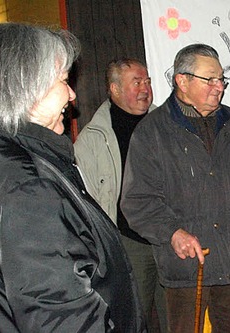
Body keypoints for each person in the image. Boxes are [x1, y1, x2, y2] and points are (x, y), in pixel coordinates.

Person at [120, 43, 230, 333]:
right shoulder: (152, 132)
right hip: (186, 267)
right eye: (211, 79)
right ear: (182, 80)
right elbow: (137, 200)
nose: (219, 87)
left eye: (222, 80)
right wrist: (172, 232)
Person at [0, 23, 144, 332]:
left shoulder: (22, 162)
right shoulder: (27, 184)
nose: (72, 93)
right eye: (63, 80)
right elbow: (60, 315)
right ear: (28, 87)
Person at [74, 58, 167, 332]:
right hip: (128, 244)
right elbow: (86, 200)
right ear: (114, 89)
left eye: (148, 81)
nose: (145, 88)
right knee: (132, 320)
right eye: (136, 82)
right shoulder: (92, 139)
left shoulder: (168, 126)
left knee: (180, 317)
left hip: (171, 237)